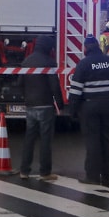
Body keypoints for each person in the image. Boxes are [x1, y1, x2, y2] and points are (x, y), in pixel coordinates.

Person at [69, 34, 109, 188]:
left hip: (89, 107)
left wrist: (73, 111)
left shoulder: (84, 64)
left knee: (92, 142)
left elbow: (76, 90)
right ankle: (107, 177)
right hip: (108, 106)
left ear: (86, 48)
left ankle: (92, 176)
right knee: (106, 141)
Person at [13, 35, 64, 181]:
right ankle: (45, 172)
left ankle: (24, 170)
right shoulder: (49, 62)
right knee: (45, 140)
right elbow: (54, 86)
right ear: (48, 47)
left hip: (30, 105)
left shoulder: (26, 61)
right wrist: (59, 104)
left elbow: (19, 83)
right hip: (45, 105)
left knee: (29, 138)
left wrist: (26, 97)